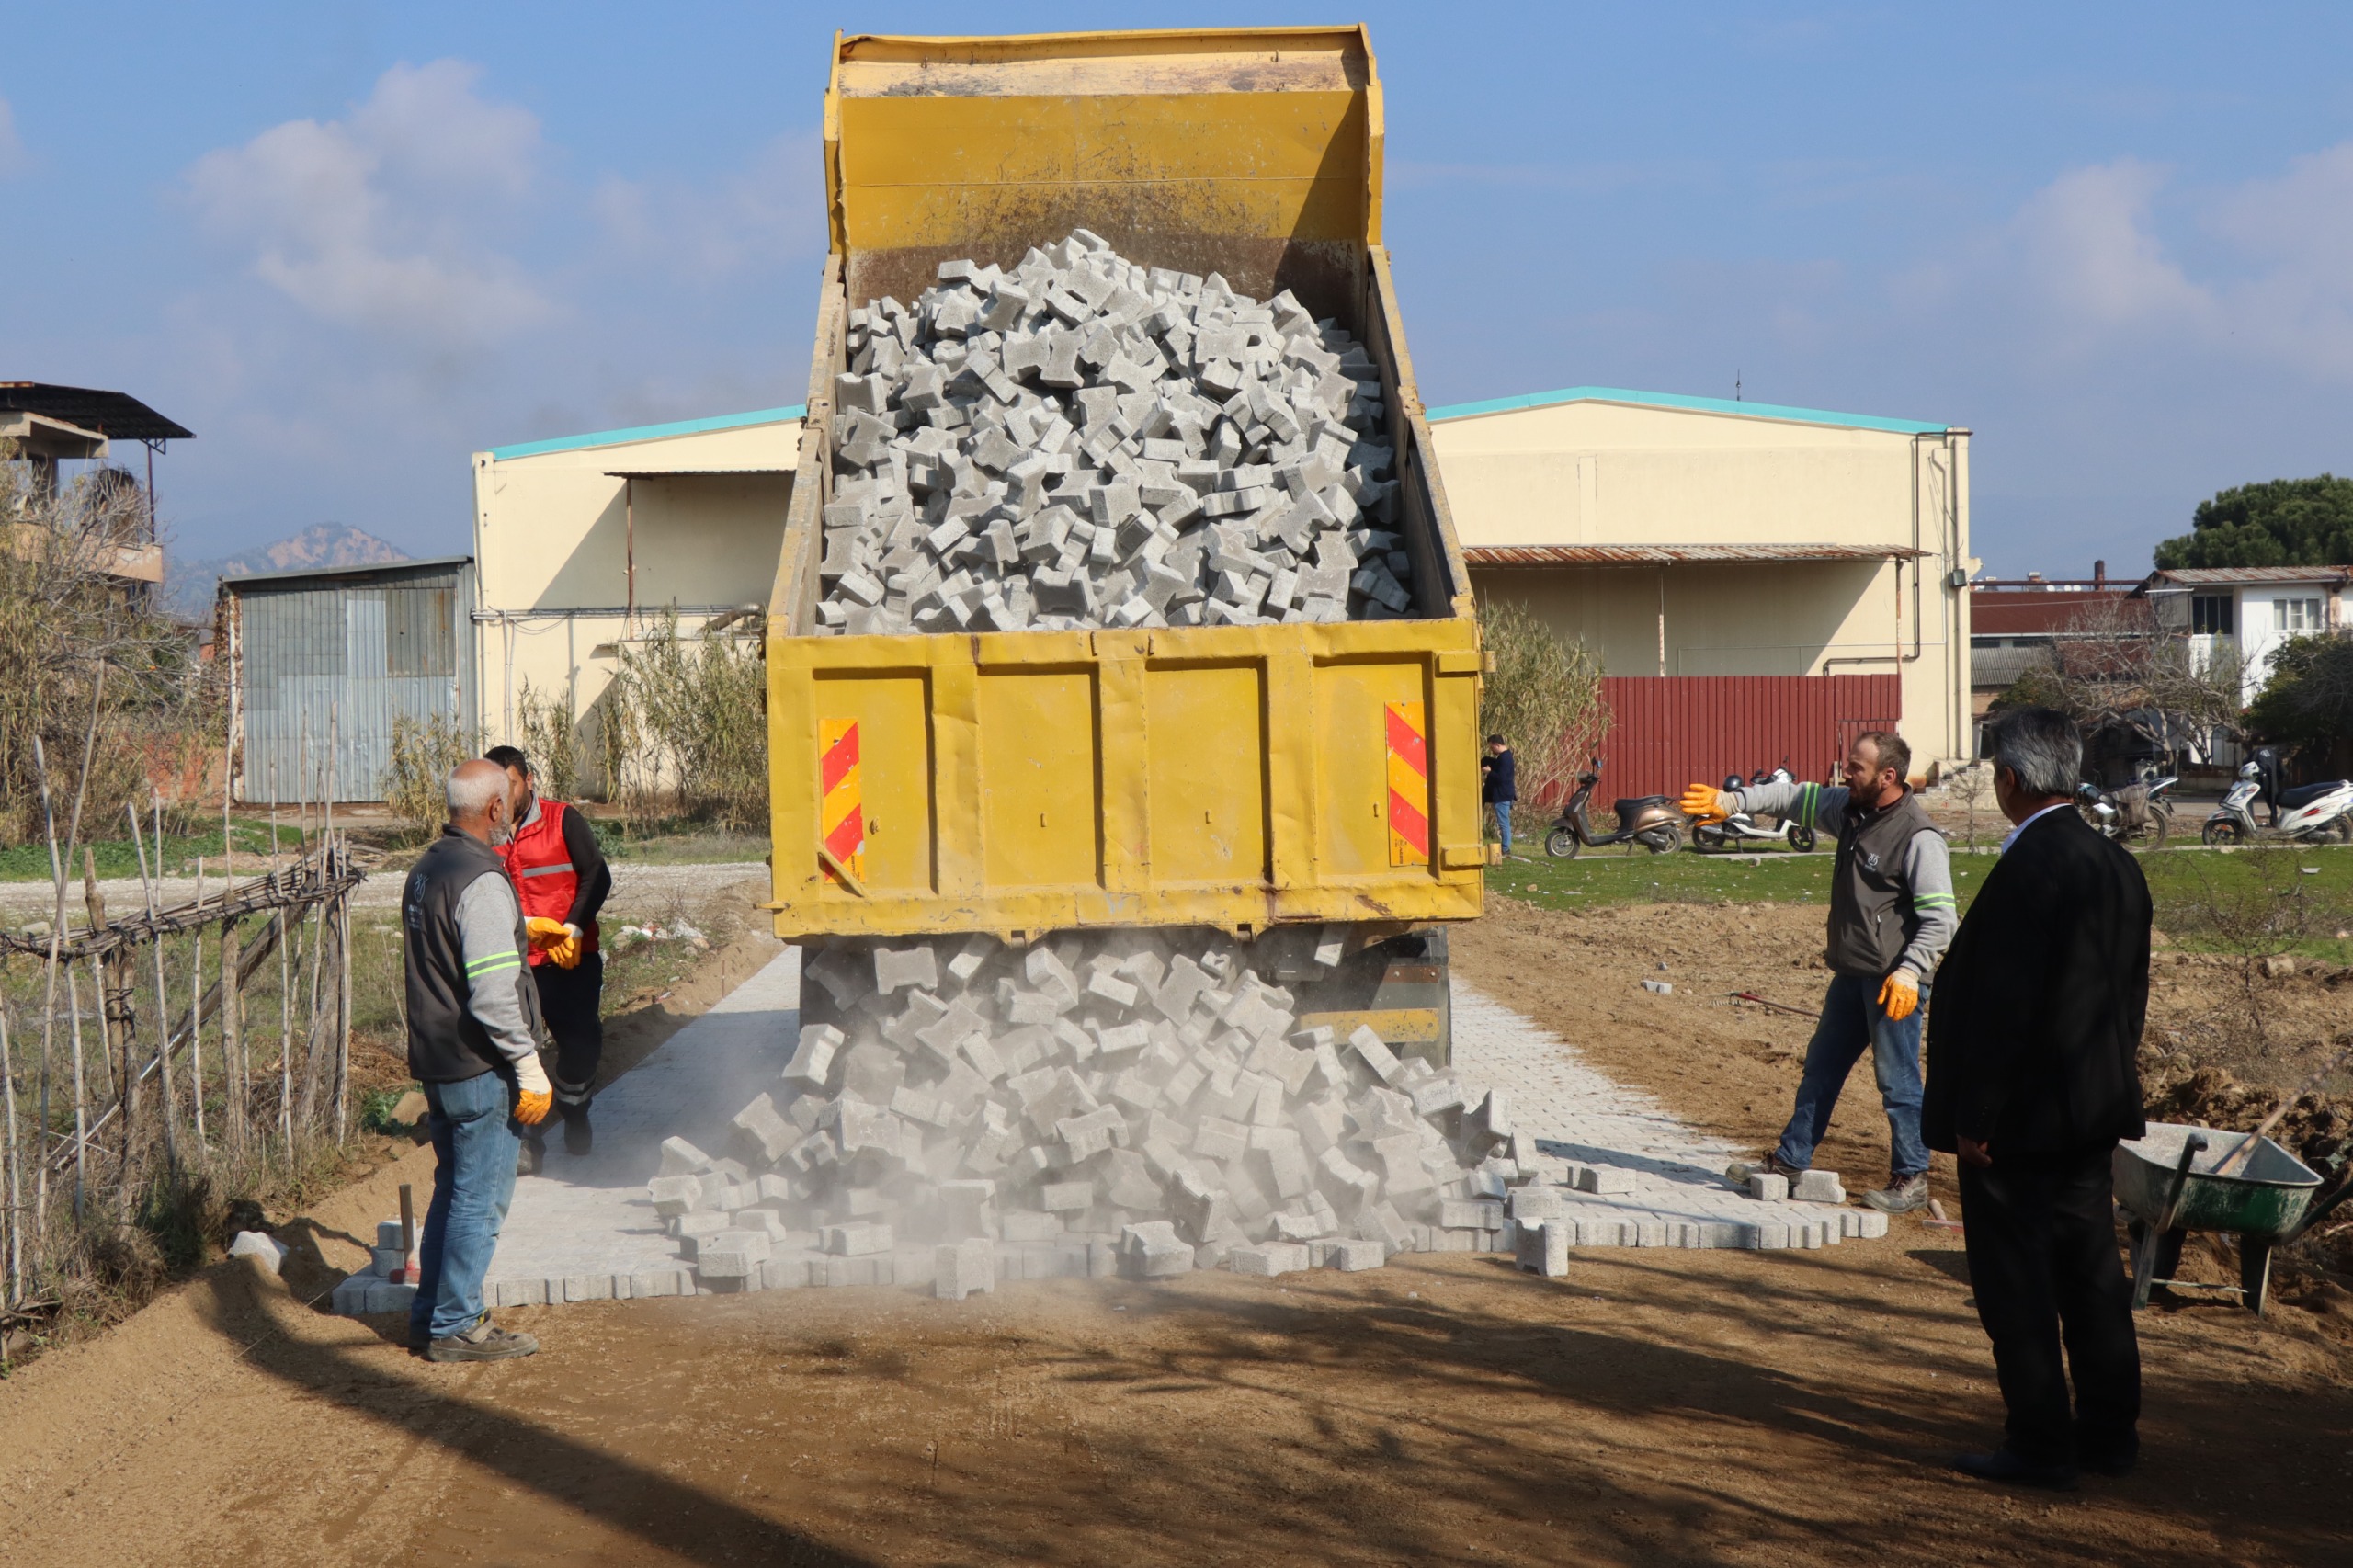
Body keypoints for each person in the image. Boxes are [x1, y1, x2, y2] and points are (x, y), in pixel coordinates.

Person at [1923, 706, 2149, 1488]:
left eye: (1994, 775)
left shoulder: (2029, 869)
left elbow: (2005, 1009)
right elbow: (2129, 1002)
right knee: (2092, 1274)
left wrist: (1978, 1118)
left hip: (2018, 1123)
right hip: (2091, 1108)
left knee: (2017, 1284)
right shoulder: (2116, 864)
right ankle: (2110, 1435)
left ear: (2012, 780)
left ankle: (2040, 1442)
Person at [1683, 730, 1957, 1213]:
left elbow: (1941, 919)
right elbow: (1791, 795)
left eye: (1856, 768)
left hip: (1894, 982)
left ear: (1887, 776)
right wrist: (1732, 800)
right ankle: (1790, 1161)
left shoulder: (1918, 836)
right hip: (1852, 973)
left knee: (1898, 1083)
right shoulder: (1849, 808)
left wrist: (1913, 972)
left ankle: (1911, 1177)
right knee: (1821, 1069)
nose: (1844, 773)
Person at [404, 758, 553, 1363]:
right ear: (493, 808)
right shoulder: (482, 880)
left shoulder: (429, 867)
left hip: (439, 1061)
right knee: (479, 1199)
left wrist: (519, 936)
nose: (514, 813)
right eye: (510, 804)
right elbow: (492, 995)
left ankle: (431, 1316)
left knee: (453, 1191)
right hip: (479, 1067)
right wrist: (527, 1064)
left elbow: (453, 955)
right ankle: (456, 1325)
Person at [484, 744, 612, 1169]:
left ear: (529, 781)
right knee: (520, 1051)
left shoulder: (563, 820)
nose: (503, 795)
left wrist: (573, 929)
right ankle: (528, 1143)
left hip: (569, 962)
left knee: (580, 1048)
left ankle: (575, 1110)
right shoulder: (485, 832)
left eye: (511, 784)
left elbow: (597, 873)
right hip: (516, 965)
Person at [1482, 734, 1518, 858]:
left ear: (1497, 745)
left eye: (1492, 747)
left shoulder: (1505, 758)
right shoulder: (1504, 757)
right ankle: (1505, 847)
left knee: (1503, 823)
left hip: (1502, 796)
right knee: (1503, 822)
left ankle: (1505, 848)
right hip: (1503, 795)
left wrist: (1489, 772)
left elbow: (1502, 778)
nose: (1491, 750)